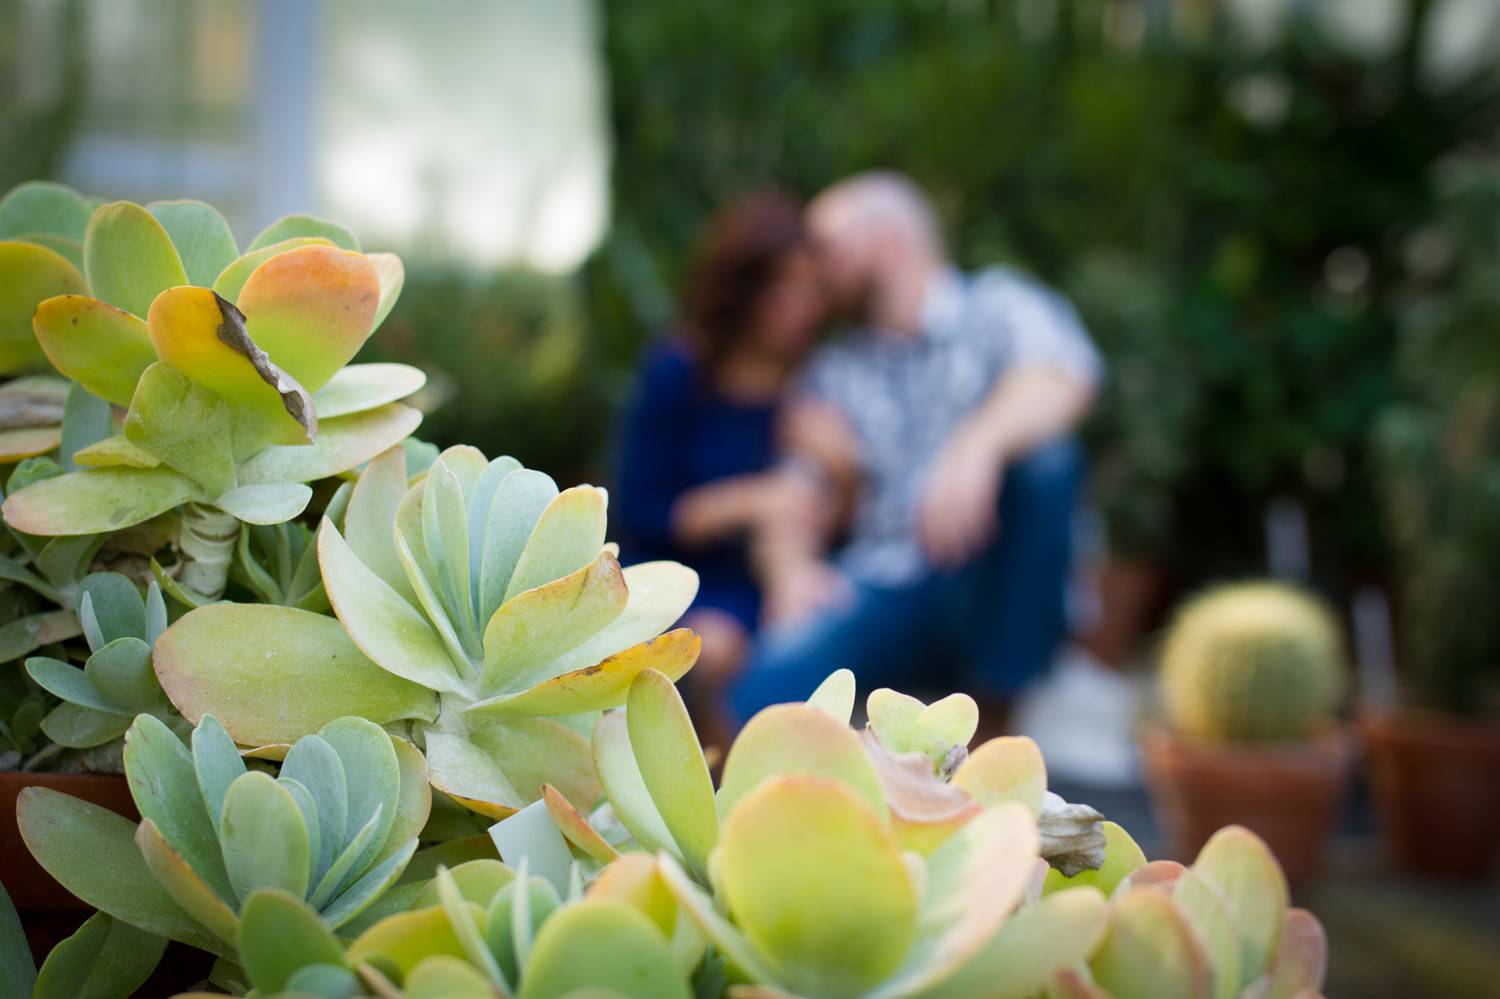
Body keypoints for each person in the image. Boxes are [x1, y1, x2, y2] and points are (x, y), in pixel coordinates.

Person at [731, 171, 1103, 721]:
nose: (812, 262)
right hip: (888, 581)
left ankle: (999, 716)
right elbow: (793, 489)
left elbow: (1065, 378)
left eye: (826, 244)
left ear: (885, 240)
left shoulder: (997, 306)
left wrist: (976, 446)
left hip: (990, 571)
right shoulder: (834, 369)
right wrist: (789, 570)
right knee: (769, 683)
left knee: (1047, 464)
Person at [614, 191, 828, 744]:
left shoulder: (811, 389)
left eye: (809, 288)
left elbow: (835, 515)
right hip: (672, 573)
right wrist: (748, 500)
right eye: (783, 287)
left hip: (767, 582)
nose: (798, 305)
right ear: (744, 289)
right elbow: (642, 508)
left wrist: (844, 469)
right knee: (714, 644)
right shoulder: (679, 372)